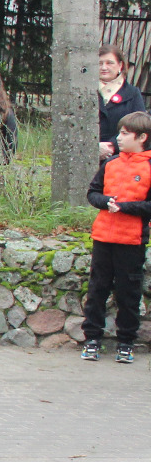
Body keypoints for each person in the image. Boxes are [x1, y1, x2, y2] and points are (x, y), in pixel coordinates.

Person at [82, 110, 151, 362]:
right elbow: (93, 193)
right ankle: (92, 339)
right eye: (119, 132)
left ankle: (125, 343)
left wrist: (124, 207)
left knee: (128, 294)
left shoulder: (149, 166)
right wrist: (106, 202)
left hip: (132, 241)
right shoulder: (110, 163)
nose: (118, 138)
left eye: (125, 133)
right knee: (97, 290)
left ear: (142, 137)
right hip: (103, 237)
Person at [99, 46, 146, 158]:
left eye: (110, 63)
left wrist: (111, 146)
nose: (104, 67)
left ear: (120, 65)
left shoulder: (132, 93)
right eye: (100, 63)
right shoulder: (84, 92)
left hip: (122, 157)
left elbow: (139, 126)